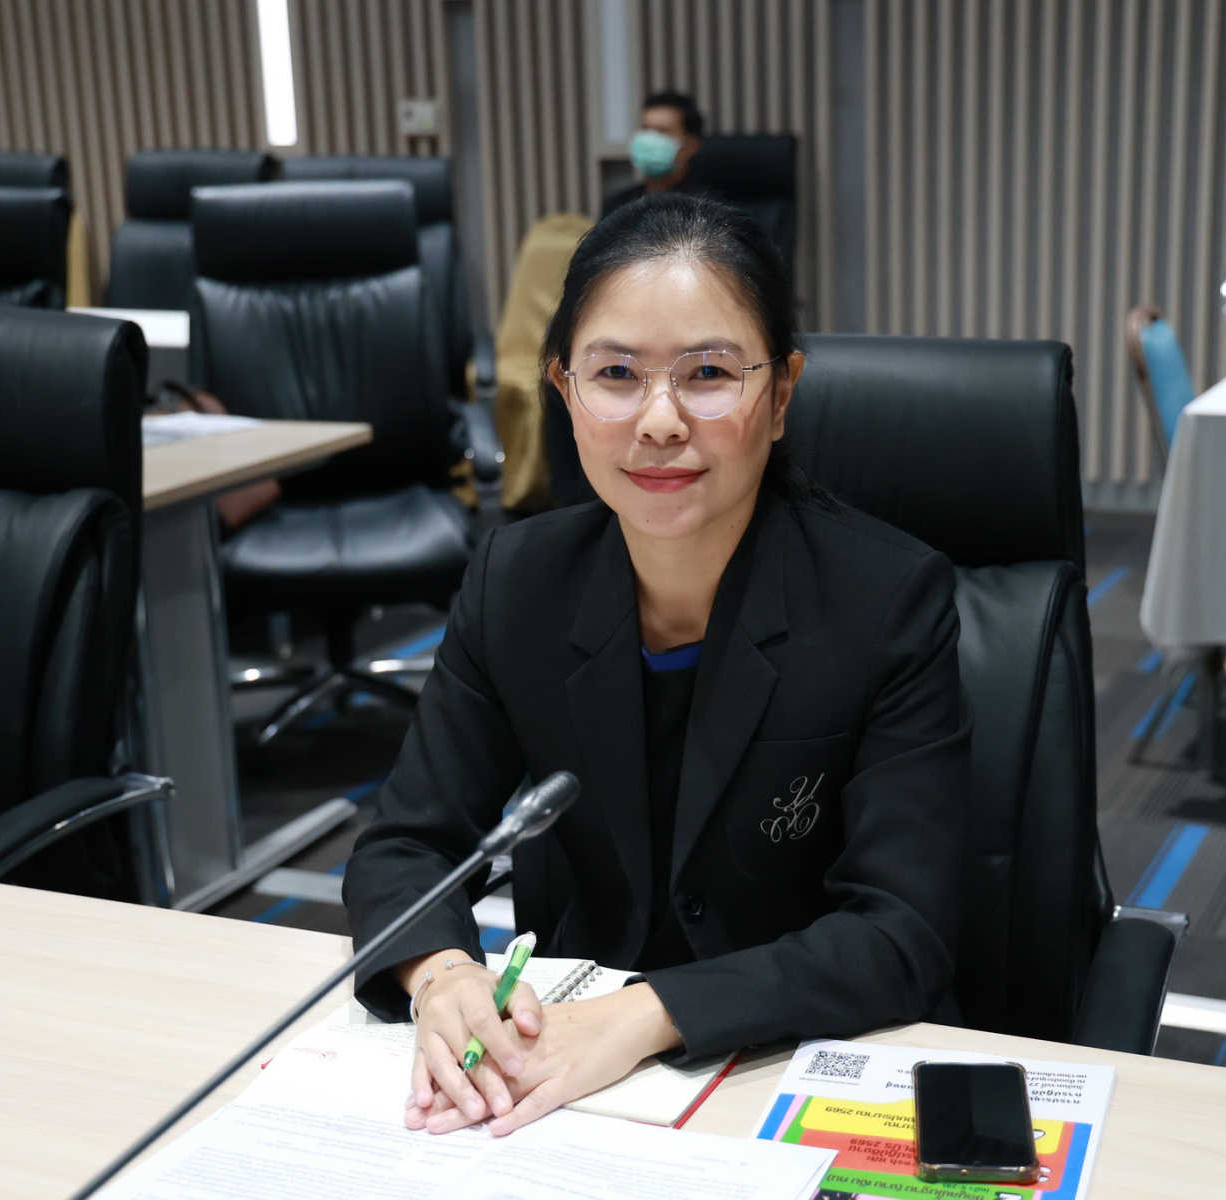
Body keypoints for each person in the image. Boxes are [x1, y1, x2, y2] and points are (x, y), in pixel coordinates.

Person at [343, 193, 969, 1137]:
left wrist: (645, 1015)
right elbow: (406, 847)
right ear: (564, 392)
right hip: (559, 1082)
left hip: (786, 1069)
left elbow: (900, 930)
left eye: (709, 373)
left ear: (782, 394)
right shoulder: (517, 582)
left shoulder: (886, 601)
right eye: (616, 375)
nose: (660, 420)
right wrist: (441, 976)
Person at [600, 92, 722, 220]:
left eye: (662, 131)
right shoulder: (617, 206)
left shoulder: (708, 209)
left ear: (691, 146)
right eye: (645, 129)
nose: (650, 140)